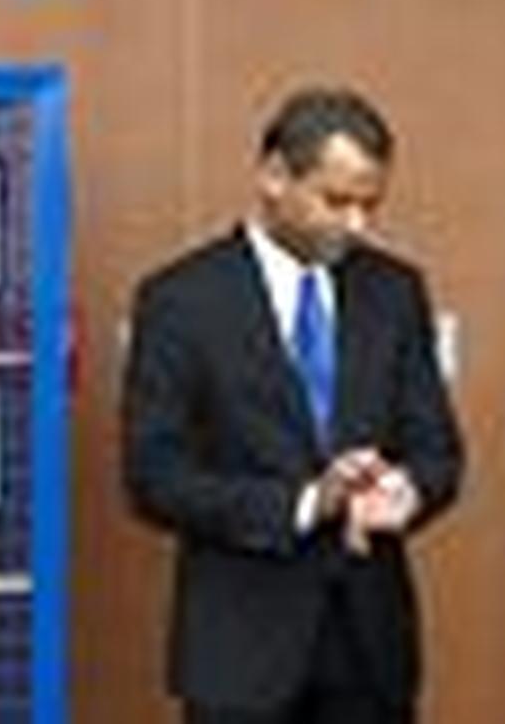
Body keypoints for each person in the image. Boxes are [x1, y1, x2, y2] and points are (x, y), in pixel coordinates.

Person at [122, 86, 464, 724]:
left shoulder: (395, 292)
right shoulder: (179, 301)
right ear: (274, 176)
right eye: (336, 201)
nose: (357, 225)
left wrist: (407, 491)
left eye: (370, 205)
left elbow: (439, 453)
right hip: (239, 655)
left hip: (371, 651)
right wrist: (307, 503)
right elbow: (154, 480)